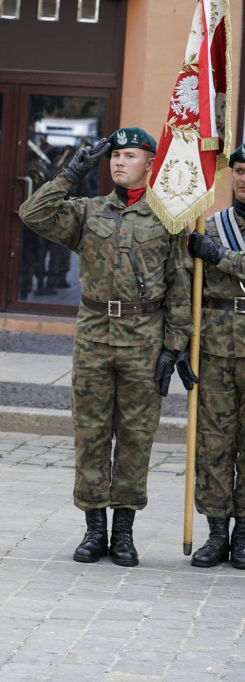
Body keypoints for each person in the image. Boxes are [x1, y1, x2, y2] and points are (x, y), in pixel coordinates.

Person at [19, 127, 193, 567]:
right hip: (95, 334)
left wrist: (175, 345)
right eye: (114, 156)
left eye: (130, 156)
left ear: (150, 163)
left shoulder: (168, 217)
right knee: (91, 433)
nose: (119, 162)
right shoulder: (89, 211)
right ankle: (94, 529)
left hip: (144, 339)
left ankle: (123, 531)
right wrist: (70, 173)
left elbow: (179, 284)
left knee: (135, 436)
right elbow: (31, 214)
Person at [184, 142, 245, 569]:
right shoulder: (213, 223)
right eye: (238, 170)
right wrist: (182, 343)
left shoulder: (216, 242)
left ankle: (244, 533)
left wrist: (220, 256)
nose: (243, 179)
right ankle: (216, 533)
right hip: (216, 348)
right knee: (213, 443)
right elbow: (189, 292)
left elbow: (222, 262)